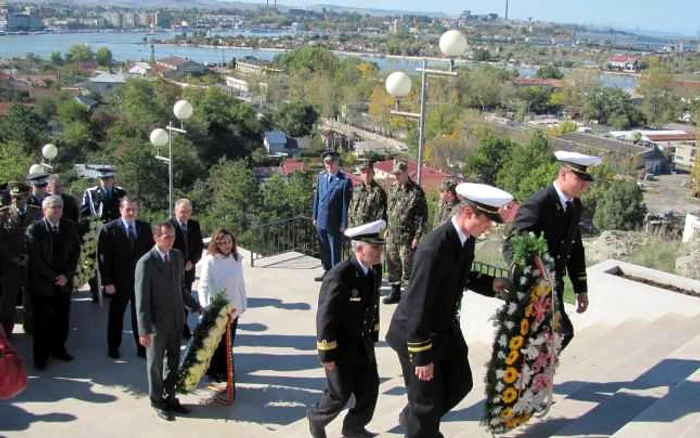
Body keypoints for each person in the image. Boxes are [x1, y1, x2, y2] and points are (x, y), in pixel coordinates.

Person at [386, 183, 517, 438]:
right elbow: (417, 304)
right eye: (487, 220)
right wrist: (421, 356)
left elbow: (461, 275)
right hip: (418, 335)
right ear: (468, 213)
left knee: (460, 383)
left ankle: (416, 417)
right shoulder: (433, 248)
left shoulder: (465, 240)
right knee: (426, 405)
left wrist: (492, 284)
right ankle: (421, 424)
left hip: (443, 328)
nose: (489, 227)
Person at [503, 150, 600, 351]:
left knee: (557, 335)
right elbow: (512, 245)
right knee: (541, 337)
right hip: (534, 285)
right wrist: (526, 274)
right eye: (579, 178)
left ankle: (534, 377)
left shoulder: (574, 206)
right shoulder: (538, 204)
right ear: (563, 175)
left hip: (554, 284)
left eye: (586, 180)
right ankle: (528, 377)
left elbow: (574, 249)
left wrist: (581, 289)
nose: (584, 184)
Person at [307, 220, 385, 438]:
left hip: (362, 344)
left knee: (370, 389)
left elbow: (372, 307)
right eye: (375, 248)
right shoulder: (339, 276)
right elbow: (325, 318)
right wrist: (326, 353)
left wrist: (373, 333)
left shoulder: (373, 272)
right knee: (339, 395)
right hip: (340, 348)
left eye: (380, 247)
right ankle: (316, 418)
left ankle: (353, 428)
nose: (380, 252)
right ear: (359, 248)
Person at [135, 221, 202, 422]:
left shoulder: (177, 255)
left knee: (173, 363)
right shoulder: (145, 262)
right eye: (166, 237)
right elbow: (142, 299)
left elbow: (180, 288)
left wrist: (195, 305)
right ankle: (157, 401)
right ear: (156, 238)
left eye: (173, 236)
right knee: (155, 365)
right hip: (156, 325)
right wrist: (143, 330)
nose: (171, 240)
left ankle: (170, 397)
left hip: (176, 321)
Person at [26, 195, 80, 370]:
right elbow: (36, 259)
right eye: (53, 207)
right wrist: (53, 277)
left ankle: (59, 349)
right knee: (42, 323)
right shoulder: (35, 229)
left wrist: (66, 275)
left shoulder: (69, 227)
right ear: (44, 210)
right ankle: (40, 357)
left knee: (62, 320)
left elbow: (75, 254)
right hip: (43, 284)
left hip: (64, 283)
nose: (57, 210)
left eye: (60, 207)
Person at [98, 196, 153, 359]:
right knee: (116, 316)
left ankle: (142, 348)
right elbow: (103, 258)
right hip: (118, 282)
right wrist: (107, 282)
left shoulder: (144, 228)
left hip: (140, 281)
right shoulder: (109, 229)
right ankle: (113, 346)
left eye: (134, 209)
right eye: (128, 209)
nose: (131, 212)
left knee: (140, 316)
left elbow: (150, 254)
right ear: (120, 210)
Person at [198, 229, 247, 383]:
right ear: (216, 243)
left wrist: (243, 303)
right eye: (223, 242)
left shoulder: (237, 259)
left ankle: (226, 371)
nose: (227, 245)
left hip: (233, 309)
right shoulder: (210, 260)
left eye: (229, 242)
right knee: (216, 342)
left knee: (229, 341)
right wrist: (206, 307)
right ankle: (213, 372)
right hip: (216, 309)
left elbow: (240, 283)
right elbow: (203, 286)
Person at [0, 182, 42, 335]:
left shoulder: (37, 213)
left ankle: (30, 326)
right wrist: (12, 258)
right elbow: (1, 241)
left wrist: (28, 256)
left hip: (30, 262)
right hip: (10, 264)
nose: (16, 201)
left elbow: (40, 239)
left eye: (20, 198)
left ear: (27, 197)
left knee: (30, 296)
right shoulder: (3, 214)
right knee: (9, 298)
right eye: (13, 198)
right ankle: (7, 330)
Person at [383, 160, 428, 305]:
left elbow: (422, 217)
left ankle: (409, 299)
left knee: (408, 269)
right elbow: (388, 211)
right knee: (392, 265)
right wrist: (387, 229)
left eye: (399, 174)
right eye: (395, 174)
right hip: (392, 235)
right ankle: (395, 293)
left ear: (405, 173)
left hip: (407, 237)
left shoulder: (416, 192)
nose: (396, 176)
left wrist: (417, 236)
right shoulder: (393, 189)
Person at [81, 165, 126, 303]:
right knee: (95, 261)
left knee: (114, 260)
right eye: (102, 179)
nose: (105, 181)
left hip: (115, 231)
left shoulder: (120, 193)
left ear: (113, 179)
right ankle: (96, 288)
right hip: (97, 231)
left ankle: (111, 287)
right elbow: (84, 213)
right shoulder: (91, 193)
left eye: (108, 178)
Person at [312, 150, 353, 282]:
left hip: (334, 222)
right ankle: (327, 271)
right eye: (326, 162)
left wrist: (344, 223)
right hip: (321, 220)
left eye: (332, 162)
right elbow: (317, 198)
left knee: (335, 249)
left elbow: (345, 205)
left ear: (337, 162)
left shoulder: (344, 180)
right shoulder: (321, 177)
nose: (329, 165)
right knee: (324, 248)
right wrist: (314, 216)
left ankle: (336, 275)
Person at [171, 198, 204, 340]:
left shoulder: (194, 225)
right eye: (182, 212)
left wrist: (192, 261)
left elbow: (199, 246)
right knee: (173, 300)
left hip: (189, 270)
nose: (185, 215)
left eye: (188, 212)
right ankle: (175, 328)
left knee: (186, 299)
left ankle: (183, 327)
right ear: (175, 211)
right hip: (172, 270)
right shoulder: (169, 226)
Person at [348, 159, 387, 228]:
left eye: (368, 172)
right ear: (360, 174)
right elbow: (350, 209)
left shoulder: (378, 192)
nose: (366, 175)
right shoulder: (356, 190)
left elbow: (382, 217)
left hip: (369, 233)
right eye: (363, 172)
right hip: (353, 230)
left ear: (373, 173)